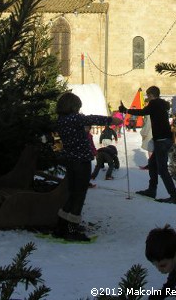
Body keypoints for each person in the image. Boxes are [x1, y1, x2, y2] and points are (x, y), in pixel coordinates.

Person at [55, 91, 122, 242]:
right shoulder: (74, 118)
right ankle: (72, 230)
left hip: (71, 162)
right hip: (81, 163)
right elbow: (92, 118)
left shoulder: (61, 120)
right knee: (79, 195)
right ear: (73, 106)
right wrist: (111, 119)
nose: (79, 110)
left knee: (72, 193)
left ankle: (61, 226)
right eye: (77, 107)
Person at [119, 85, 176, 204]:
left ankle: (174, 196)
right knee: (152, 165)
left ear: (152, 95)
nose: (147, 97)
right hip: (163, 139)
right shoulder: (162, 104)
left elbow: (142, 112)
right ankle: (152, 190)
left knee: (162, 169)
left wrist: (126, 110)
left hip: (162, 140)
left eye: (148, 95)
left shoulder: (154, 103)